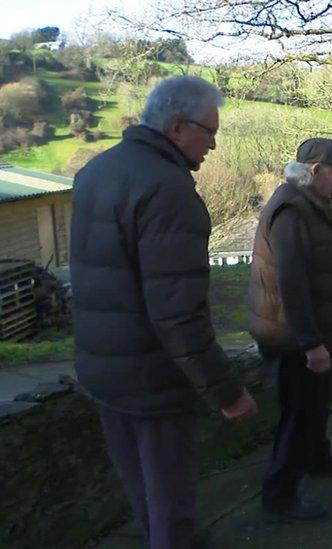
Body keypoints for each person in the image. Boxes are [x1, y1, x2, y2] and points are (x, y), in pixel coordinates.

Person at [70, 76, 258, 548]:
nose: (214, 145)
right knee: (170, 503)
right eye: (209, 132)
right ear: (177, 126)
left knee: (143, 493)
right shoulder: (169, 191)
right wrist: (227, 392)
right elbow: (178, 314)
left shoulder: (96, 170)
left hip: (102, 370)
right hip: (154, 380)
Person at [247, 138, 332, 522]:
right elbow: (289, 284)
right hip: (292, 338)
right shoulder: (291, 211)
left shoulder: (312, 204)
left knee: (317, 402)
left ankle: (319, 459)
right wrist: (311, 343)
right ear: (316, 171)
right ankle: (279, 497)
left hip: (307, 334)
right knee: (298, 415)